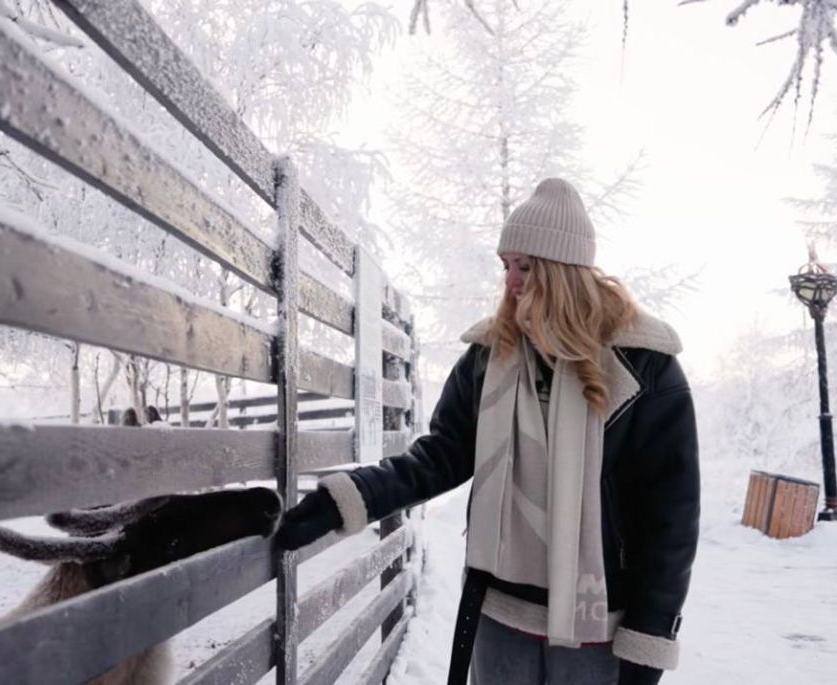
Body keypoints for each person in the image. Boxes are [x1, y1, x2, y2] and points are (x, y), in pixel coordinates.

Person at [276, 178, 700, 685]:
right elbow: (441, 456)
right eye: (506, 266)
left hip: (600, 626)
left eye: (525, 267)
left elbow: (671, 517)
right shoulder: (488, 358)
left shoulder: (645, 367)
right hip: (501, 614)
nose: (511, 281)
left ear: (562, 270)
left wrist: (650, 637)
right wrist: (347, 498)